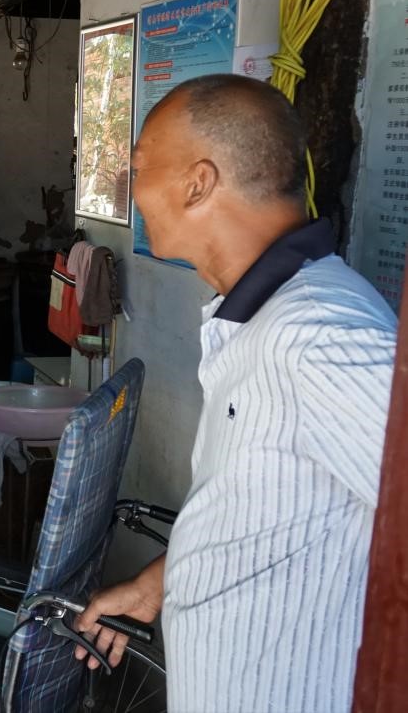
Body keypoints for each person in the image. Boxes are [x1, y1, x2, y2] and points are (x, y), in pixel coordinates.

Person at [74, 75, 397, 712]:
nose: (130, 188)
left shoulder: (318, 334)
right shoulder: (261, 317)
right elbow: (267, 507)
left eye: (139, 167)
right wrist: (159, 583)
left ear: (198, 183)